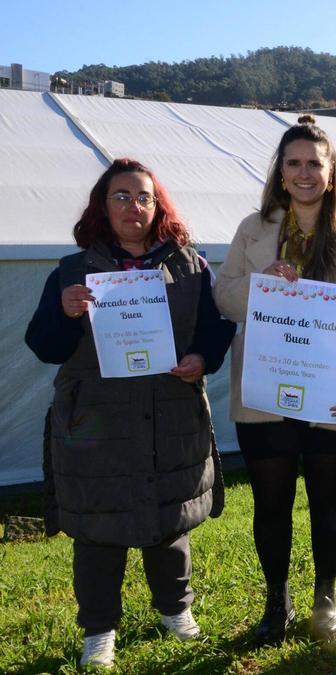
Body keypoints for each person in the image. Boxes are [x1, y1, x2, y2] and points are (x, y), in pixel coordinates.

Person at [25, 158, 235, 668]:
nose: (133, 207)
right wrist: (64, 311)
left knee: (170, 521)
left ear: (157, 207)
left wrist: (201, 358)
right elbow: (45, 346)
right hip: (96, 424)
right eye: (121, 196)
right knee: (98, 530)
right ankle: (99, 630)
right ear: (103, 205)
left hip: (170, 415)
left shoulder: (190, 266)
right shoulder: (71, 272)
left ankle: (175, 610)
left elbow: (215, 328)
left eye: (144, 197)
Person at [214, 115, 336, 643]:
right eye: (294, 163)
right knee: (271, 503)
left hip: (333, 397)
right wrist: (258, 284)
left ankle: (325, 598)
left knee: (328, 497)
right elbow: (224, 298)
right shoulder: (253, 228)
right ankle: (276, 601)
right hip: (266, 392)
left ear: (331, 173)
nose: (304, 173)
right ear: (281, 171)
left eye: (315, 163)